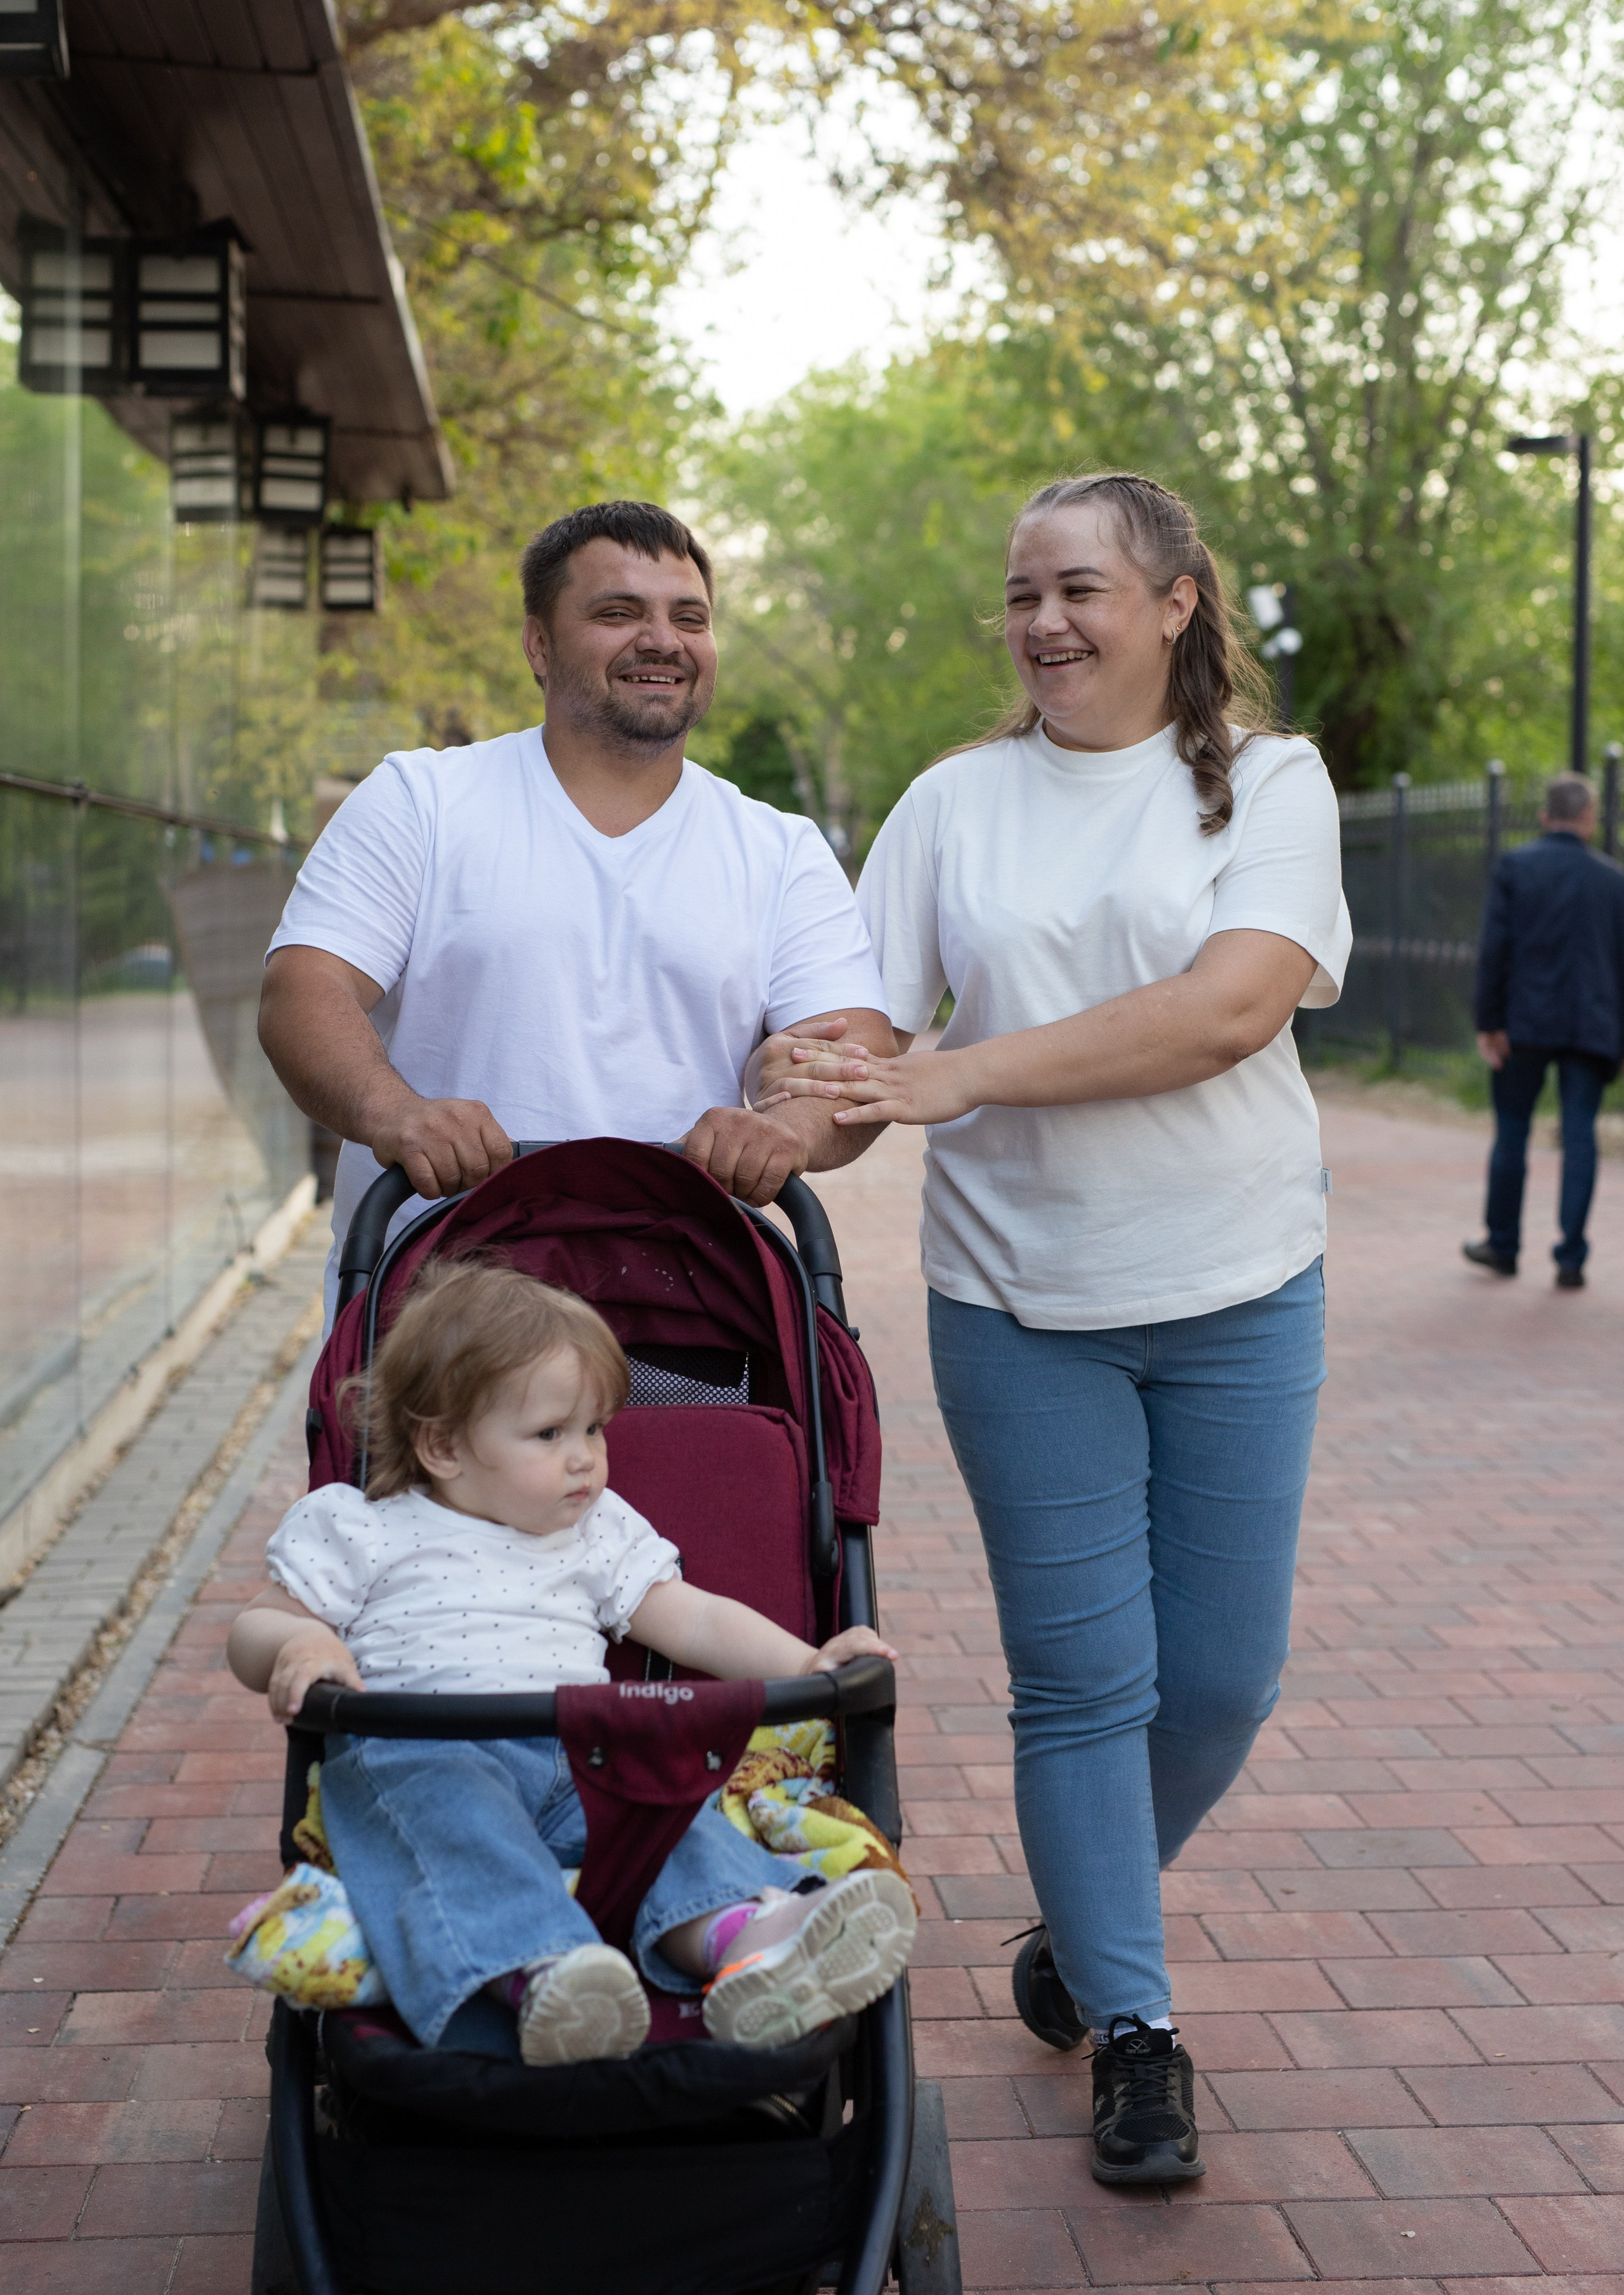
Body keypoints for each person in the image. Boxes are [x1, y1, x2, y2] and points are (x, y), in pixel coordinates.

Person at [755, 473, 1350, 2188]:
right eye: (1022, 596)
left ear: (1175, 601)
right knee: (1085, 1689)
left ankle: (1083, 1929)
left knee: (1224, 1680)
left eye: (1080, 589)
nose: (1045, 624)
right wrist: (802, 1100)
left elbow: (1228, 1009)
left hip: (1242, 1284)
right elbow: (863, 1044)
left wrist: (959, 1072)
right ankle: (1136, 2029)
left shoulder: (1277, 784)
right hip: (1021, 1305)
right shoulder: (953, 805)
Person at [226, 1259, 915, 2063]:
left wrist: (809, 1658)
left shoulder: (593, 1530)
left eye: (594, 1428)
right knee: (458, 1826)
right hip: (423, 1750)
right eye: (551, 1434)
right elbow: (255, 1626)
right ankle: (545, 1971)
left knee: (668, 1812)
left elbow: (689, 1617)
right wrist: (303, 1642)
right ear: (443, 1444)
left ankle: (740, 1936)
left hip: (578, 1750)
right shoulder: (361, 1525)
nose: (586, 1456)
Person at [259, 500, 894, 1325]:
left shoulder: (778, 850)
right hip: (442, 1310)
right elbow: (302, 990)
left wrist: (791, 1132)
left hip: (686, 1310)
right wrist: (397, 1112)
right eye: (617, 612)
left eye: (688, 617)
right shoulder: (422, 802)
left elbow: (853, 1056)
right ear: (539, 644)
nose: (662, 639)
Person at [1464, 771, 1624, 1290]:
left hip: (1523, 1024)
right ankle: (1571, 1257)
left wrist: (1489, 1022)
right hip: (1591, 1024)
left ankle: (1503, 1246)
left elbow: (1494, 952)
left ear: (1543, 815)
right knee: (1580, 1134)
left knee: (1513, 1130)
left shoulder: (1516, 867)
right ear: (1588, 816)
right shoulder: (1613, 880)